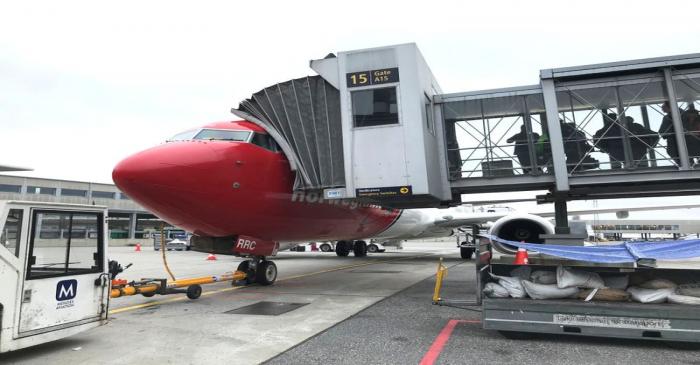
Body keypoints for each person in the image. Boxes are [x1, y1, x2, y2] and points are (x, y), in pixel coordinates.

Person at [659, 101, 681, 166]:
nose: (662, 109)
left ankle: (681, 163)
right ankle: (683, 163)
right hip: (674, 137)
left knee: (672, 151)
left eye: (663, 108)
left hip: (673, 139)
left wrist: (665, 134)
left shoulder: (668, 117)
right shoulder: (681, 113)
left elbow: (662, 130)